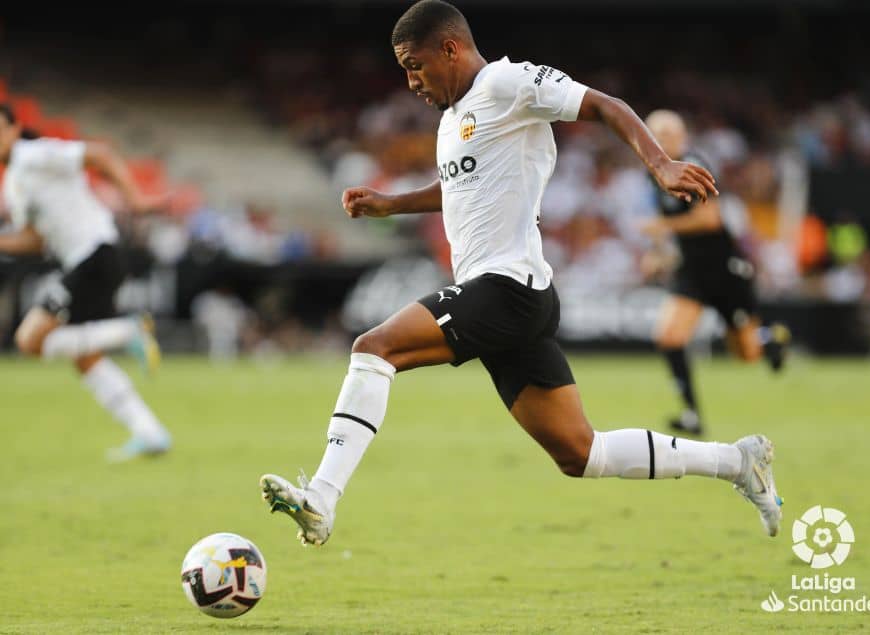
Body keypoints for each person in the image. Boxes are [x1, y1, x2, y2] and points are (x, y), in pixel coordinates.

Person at [259, 0, 782, 546]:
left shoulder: (507, 82)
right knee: (582, 453)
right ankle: (738, 462)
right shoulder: (453, 118)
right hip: (514, 297)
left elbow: (604, 104)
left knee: (374, 348)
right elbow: (460, 190)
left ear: (450, 48)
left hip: (506, 287)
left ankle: (321, 497)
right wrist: (391, 205)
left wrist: (661, 164)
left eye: (415, 64)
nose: (411, 80)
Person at [0, 103, 172, 462]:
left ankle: (129, 332)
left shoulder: (33, 154)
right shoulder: (15, 180)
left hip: (94, 253)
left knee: (29, 340)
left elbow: (100, 153)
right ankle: (149, 432)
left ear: (15, 128)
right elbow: (35, 240)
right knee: (83, 355)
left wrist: (135, 199)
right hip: (87, 258)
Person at [640, 110, 791, 436]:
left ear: (682, 137)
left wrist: (661, 226)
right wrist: (658, 255)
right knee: (668, 337)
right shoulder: (651, 173)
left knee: (746, 354)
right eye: (656, 134)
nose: (662, 140)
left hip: (725, 269)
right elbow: (670, 230)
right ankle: (691, 414)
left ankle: (771, 338)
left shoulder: (694, 165)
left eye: (668, 134)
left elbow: (709, 220)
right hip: (692, 272)